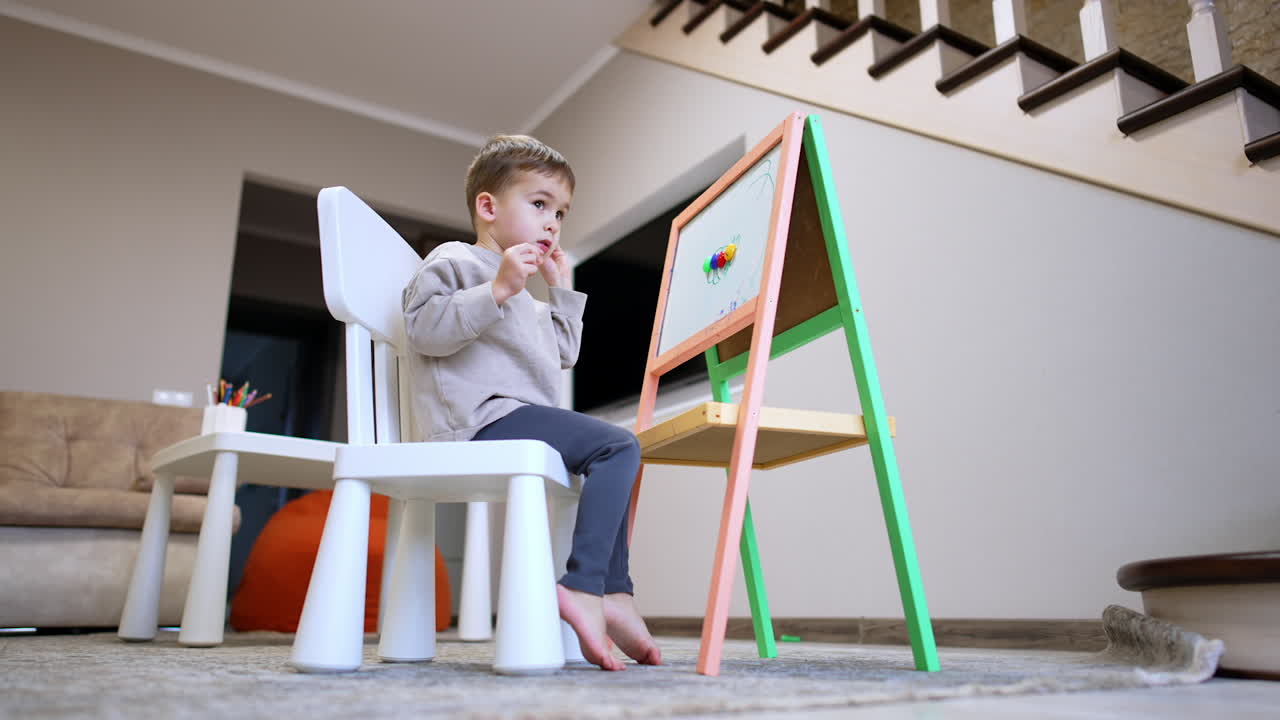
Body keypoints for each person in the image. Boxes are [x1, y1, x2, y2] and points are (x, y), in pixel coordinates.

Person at [401, 134, 661, 671]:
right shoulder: (457, 261)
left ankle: (614, 590)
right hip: (476, 423)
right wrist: (495, 289)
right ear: (489, 207)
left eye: (560, 213)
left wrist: (559, 290)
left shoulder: (522, 289)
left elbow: (562, 352)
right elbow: (424, 329)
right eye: (540, 204)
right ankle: (587, 587)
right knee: (617, 448)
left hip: (515, 420)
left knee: (619, 455)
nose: (552, 223)